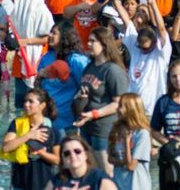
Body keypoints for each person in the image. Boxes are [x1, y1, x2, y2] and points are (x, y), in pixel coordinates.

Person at [73, 27, 128, 175]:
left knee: (107, 172)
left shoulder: (112, 70)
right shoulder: (89, 67)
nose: (88, 44)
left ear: (104, 44)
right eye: (88, 41)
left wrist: (94, 114)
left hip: (104, 130)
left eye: (93, 41)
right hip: (86, 128)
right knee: (92, 172)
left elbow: (119, 104)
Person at [0, 88, 60, 190]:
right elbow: (5, 147)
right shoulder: (16, 124)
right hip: (19, 183)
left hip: (44, 185)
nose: (26, 104)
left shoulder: (52, 130)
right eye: (25, 101)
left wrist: (40, 153)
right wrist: (28, 136)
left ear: (42, 105)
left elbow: (57, 160)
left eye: (31, 101)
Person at [37, 21, 89, 134]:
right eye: (50, 32)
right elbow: (38, 88)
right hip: (47, 117)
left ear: (65, 36)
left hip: (68, 120)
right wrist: (39, 76)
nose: (50, 35)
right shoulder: (46, 58)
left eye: (54, 33)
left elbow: (87, 87)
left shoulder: (77, 60)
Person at [108, 93, 151, 190]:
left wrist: (126, 141)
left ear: (131, 109)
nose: (118, 109)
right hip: (119, 183)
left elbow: (131, 166)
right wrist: (123, 162)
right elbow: (110, 158)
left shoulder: (142, 134)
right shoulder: (116, 129)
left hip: (136, 185)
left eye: (121, 106)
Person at [44, 135, 117, 190]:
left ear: (86, 154)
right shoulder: (56, 180)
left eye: (77, 151)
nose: (72, 155)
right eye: (67, 153)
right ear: (62, 159)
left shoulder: (100, 180)